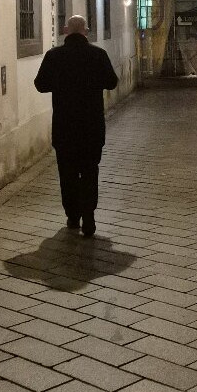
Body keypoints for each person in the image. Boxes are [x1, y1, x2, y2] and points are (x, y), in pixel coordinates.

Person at [34, 15, 119, 237]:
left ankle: (73, 216)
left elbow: (40, 84)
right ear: (86, 31)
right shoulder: (98, 54)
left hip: (64, 127)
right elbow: (112, 82)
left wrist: (61, 83)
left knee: (67, 174)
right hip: (91, 127)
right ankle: (89, 217)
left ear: (66, 30)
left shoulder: (54, 56)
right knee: (90, 172)